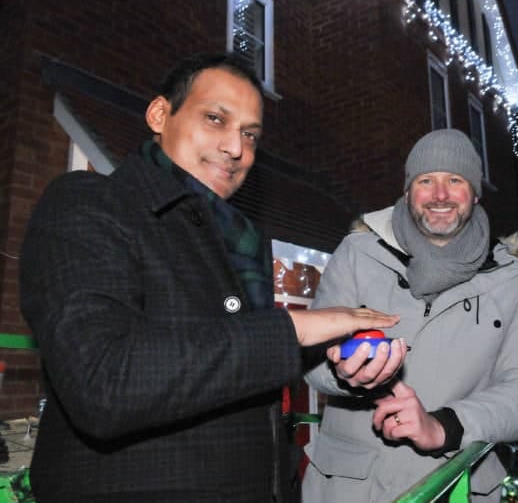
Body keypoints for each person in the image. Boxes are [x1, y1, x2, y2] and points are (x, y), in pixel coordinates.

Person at [18, 53, 399, 502]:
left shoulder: (237, 240)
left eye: (250, 135)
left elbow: (234, 370)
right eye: (216, 119)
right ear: (161, 115)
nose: (236, 149)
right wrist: (293, 328)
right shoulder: (91, 204)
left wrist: (340, 366)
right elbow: (102, 382)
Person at [301, 128, 518, 502]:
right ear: (407, 192)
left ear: (475, 192)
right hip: (349, 489)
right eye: (426, 180)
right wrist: (343, 372)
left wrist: (445, 426)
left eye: (455, 180)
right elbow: (312, 354)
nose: (440, 195)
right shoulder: (357, 255)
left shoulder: (513, 280)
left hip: (454, 488)